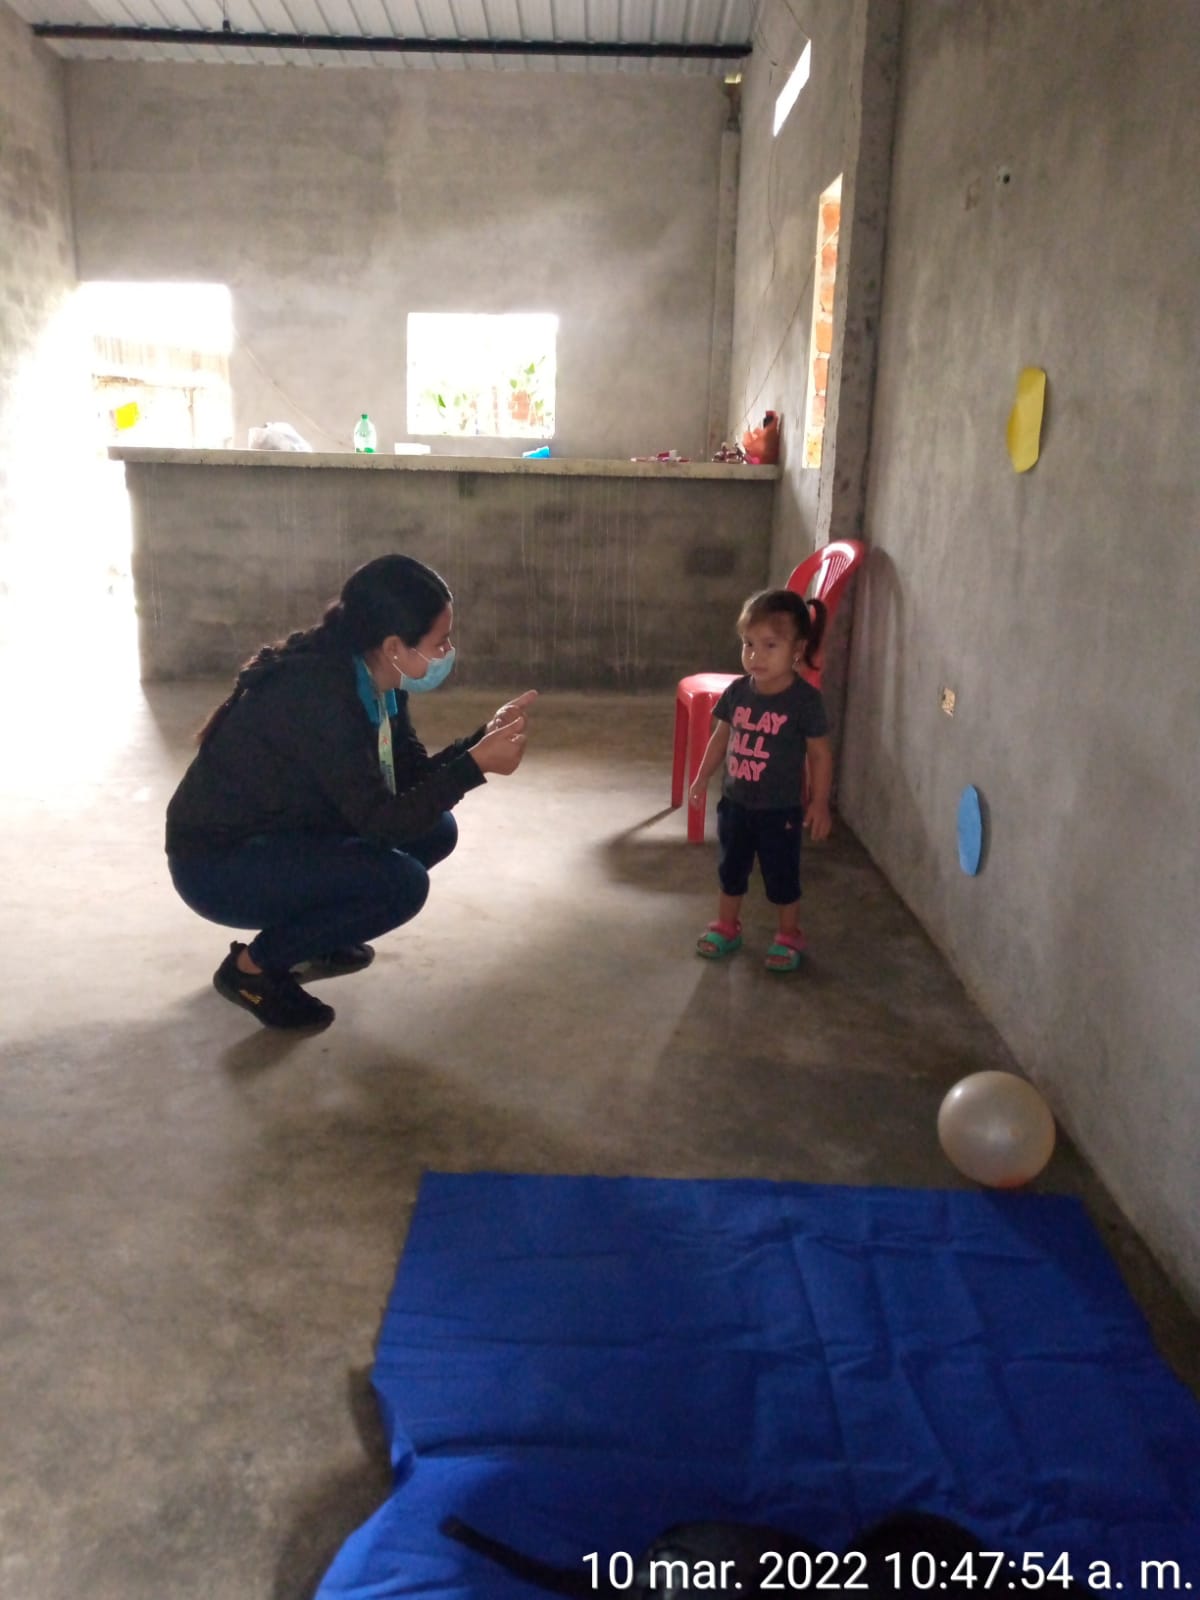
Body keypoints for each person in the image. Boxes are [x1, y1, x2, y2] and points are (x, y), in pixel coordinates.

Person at [166, 553, 536, 1029]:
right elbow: (384, 825)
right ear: (395, 645)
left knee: (435, 830)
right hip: (218, 866)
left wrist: (480, 741)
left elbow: (410, 779)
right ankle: (251, 970)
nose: (448, 651)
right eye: (440, 641)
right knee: (401, 885)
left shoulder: (379, 679)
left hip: (287, 830)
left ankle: (317, 935)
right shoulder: (319, 696)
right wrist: (474, 766)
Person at [687, 588, 833, 972]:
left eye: (770, 645)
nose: (755, 655)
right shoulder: (738, 692)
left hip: (779, 810)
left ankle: (789, 934)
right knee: (730, 869)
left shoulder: (804, 701)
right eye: (748, 644)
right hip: (735, 803)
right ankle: (727, 926)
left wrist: (820, 802)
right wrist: (701, 777)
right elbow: (721, 738)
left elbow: (819, 754)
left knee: (781, 874)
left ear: (797, 649)